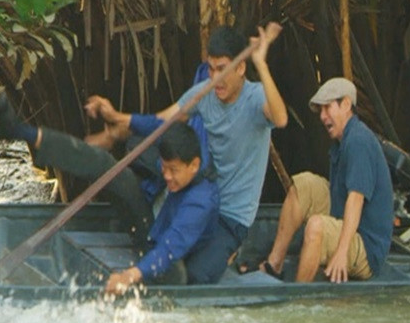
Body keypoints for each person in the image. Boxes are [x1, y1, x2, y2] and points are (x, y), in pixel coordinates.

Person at [84, 22, 288, 284]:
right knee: (163, 254)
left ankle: (228, 251)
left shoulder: (255, 97)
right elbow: (161, 122)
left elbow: (280, 119)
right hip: (203, 197)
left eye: (222, 69)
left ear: (240, 67)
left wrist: (262, 64)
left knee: (196, 276)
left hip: (233, 215)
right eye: (211, 69)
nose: (215, 78)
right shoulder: (205, 93)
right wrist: (114, 118)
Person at [0, 99, 218, 295]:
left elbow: (170, 248)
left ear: (194, 166)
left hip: (169, 260)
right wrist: (115, 119)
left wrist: (130, 275)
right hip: (148, 226)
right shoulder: (180, 144)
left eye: (174, 171)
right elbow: (152, 126)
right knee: (109, 167)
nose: (166, 175)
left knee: (173, 272)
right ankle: (21, 132)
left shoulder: (200, 201)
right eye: (164, 167)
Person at [254, 77, 393, 283]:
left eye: (327, 108)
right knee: (304, 184)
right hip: (344, 217)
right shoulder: (342, 140)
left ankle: (299, 299)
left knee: (316, 226)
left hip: (366, 245)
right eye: (320, 110)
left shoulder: (358, 141)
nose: (322, 116)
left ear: (346, 105)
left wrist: (341, 253)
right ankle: (274, 264)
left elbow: (356, 200)